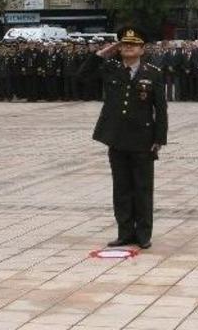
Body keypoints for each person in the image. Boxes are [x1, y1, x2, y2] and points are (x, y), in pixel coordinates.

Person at [77, 27, 168, 249]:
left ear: (142, 49)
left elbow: (161, 109)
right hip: (116, 138)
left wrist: (159, 138)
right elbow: (82, 74)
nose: (128, 48)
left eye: (133, 45)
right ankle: (125, 232)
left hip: (143, 139)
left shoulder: (153, 72)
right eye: (124, 44)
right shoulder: (111, 69)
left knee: (142, 188)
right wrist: (105, 51)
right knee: (121, 188)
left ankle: (143, 235)